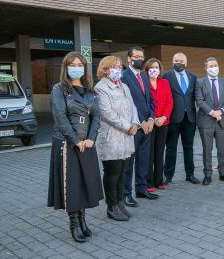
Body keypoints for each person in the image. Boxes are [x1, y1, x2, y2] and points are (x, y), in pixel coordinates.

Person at [47, 52, 103, 243]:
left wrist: (91, 139)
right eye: (72, 64)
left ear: (85, 68)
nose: (76, 67)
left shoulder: (90, 90)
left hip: (87, 144)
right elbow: (60, 117)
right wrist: (75, 140)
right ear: (66, 67)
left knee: (85, 182)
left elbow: (96, 116)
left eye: (80, 64)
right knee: (71, 185)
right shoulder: (59, 89)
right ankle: (74, 223)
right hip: (67, 143)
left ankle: (83, 220)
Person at [95, 56, 139, 221]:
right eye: (114, 67)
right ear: (105, 69)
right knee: (112, 173)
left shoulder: (124, 86)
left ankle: (120, 203)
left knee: (122, 172)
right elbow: (106, 113)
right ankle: (112, 207)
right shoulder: (101, 88)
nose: (118, 70)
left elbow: (133, 106)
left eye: (120, 67)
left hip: (127, 136)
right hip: (111, 137)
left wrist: (135, 123)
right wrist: (128, 126)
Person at [121, 46, 158, 204]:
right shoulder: (124, 77)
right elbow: (127, 104)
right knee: (129, 162)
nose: (139, 59)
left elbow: (149, 99)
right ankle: (126, 193)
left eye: (141, 56)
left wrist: (151, 119)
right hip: (134, 127)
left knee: (144, 159)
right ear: (129, 59)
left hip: (147, 126)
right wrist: (141, 122)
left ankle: (141, 189)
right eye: (136, 56)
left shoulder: (143, 76)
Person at [163, 52, 200, 185]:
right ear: (173, 62)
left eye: (181, 60)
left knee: (188, 147)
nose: (178, 62)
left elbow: (197, 97)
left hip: (189, 118)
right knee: (171, 147)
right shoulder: (166, 76)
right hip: (173, 118)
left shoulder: (193, 77)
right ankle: (168, 176)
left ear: (186, 62)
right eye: (176, 60)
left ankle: (190, 174)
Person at [196, 57, 224, 185]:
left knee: (222, 149)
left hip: (222, 121)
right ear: (206, 68)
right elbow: (200, 101)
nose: (214, 68)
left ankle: (223, 173)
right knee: (207, 150)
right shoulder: (200, 82)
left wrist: (221, 111)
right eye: (211, 66)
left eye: (215, 65)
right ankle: (207, 175)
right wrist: (213, 113)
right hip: (206, 121)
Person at [144, 58, 173, 191]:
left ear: (160, 69)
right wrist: (152, 118)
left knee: (159, 152)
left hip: (163, 122)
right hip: (149, 122)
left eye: (156, 67)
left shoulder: (165, 82)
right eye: (151, 67)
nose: (154, 69)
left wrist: (163, 117)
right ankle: (148, 182)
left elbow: (169, 102)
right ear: (147, 69)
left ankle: (159, 180)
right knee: (149, 153)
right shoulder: (144, 83)